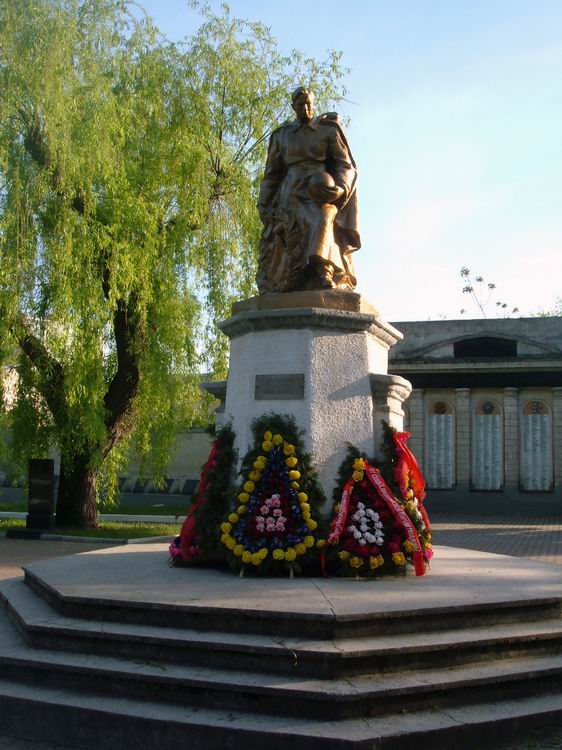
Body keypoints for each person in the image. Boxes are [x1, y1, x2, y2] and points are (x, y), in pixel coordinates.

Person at [256, 86, 360, 293]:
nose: (306, 108)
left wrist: (341, 189)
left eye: (309, 104)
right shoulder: (282, 136)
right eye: (301, 105)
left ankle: (324, 269)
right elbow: (272, 175)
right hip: (291, 192)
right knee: (299, 218)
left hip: (321, 191)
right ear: (293, 107)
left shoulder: (328, 130)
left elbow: (345, 165)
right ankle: (302, 273)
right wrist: (263, 203)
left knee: (324, 215)